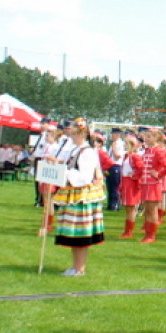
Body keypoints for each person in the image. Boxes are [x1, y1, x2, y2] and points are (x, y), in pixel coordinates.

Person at [52, 118, 105, 276]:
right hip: (74, 194)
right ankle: (75, 266)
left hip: (81, 196)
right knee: (74, 233)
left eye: (74, 134)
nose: (71, 137)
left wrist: (65, 172)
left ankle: (79, 268)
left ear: (82, 134)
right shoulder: (77, 150)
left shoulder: (87, 152)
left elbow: (85, 177)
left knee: (80, 233)